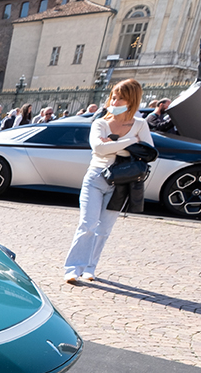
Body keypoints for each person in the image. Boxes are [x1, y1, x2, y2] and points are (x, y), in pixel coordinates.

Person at [63, 78, 153, 284]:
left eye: (121, 98)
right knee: (87, 225)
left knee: (104, 229)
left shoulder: (140, 124)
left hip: (122, 182)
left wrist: (114, 142)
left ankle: (90, 268)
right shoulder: (100, 122)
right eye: (114, 96)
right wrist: (131, 142)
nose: (115, 100)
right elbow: (99, 149)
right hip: (96, 176)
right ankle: (72, 268)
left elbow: (149, 153)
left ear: (132, 100)